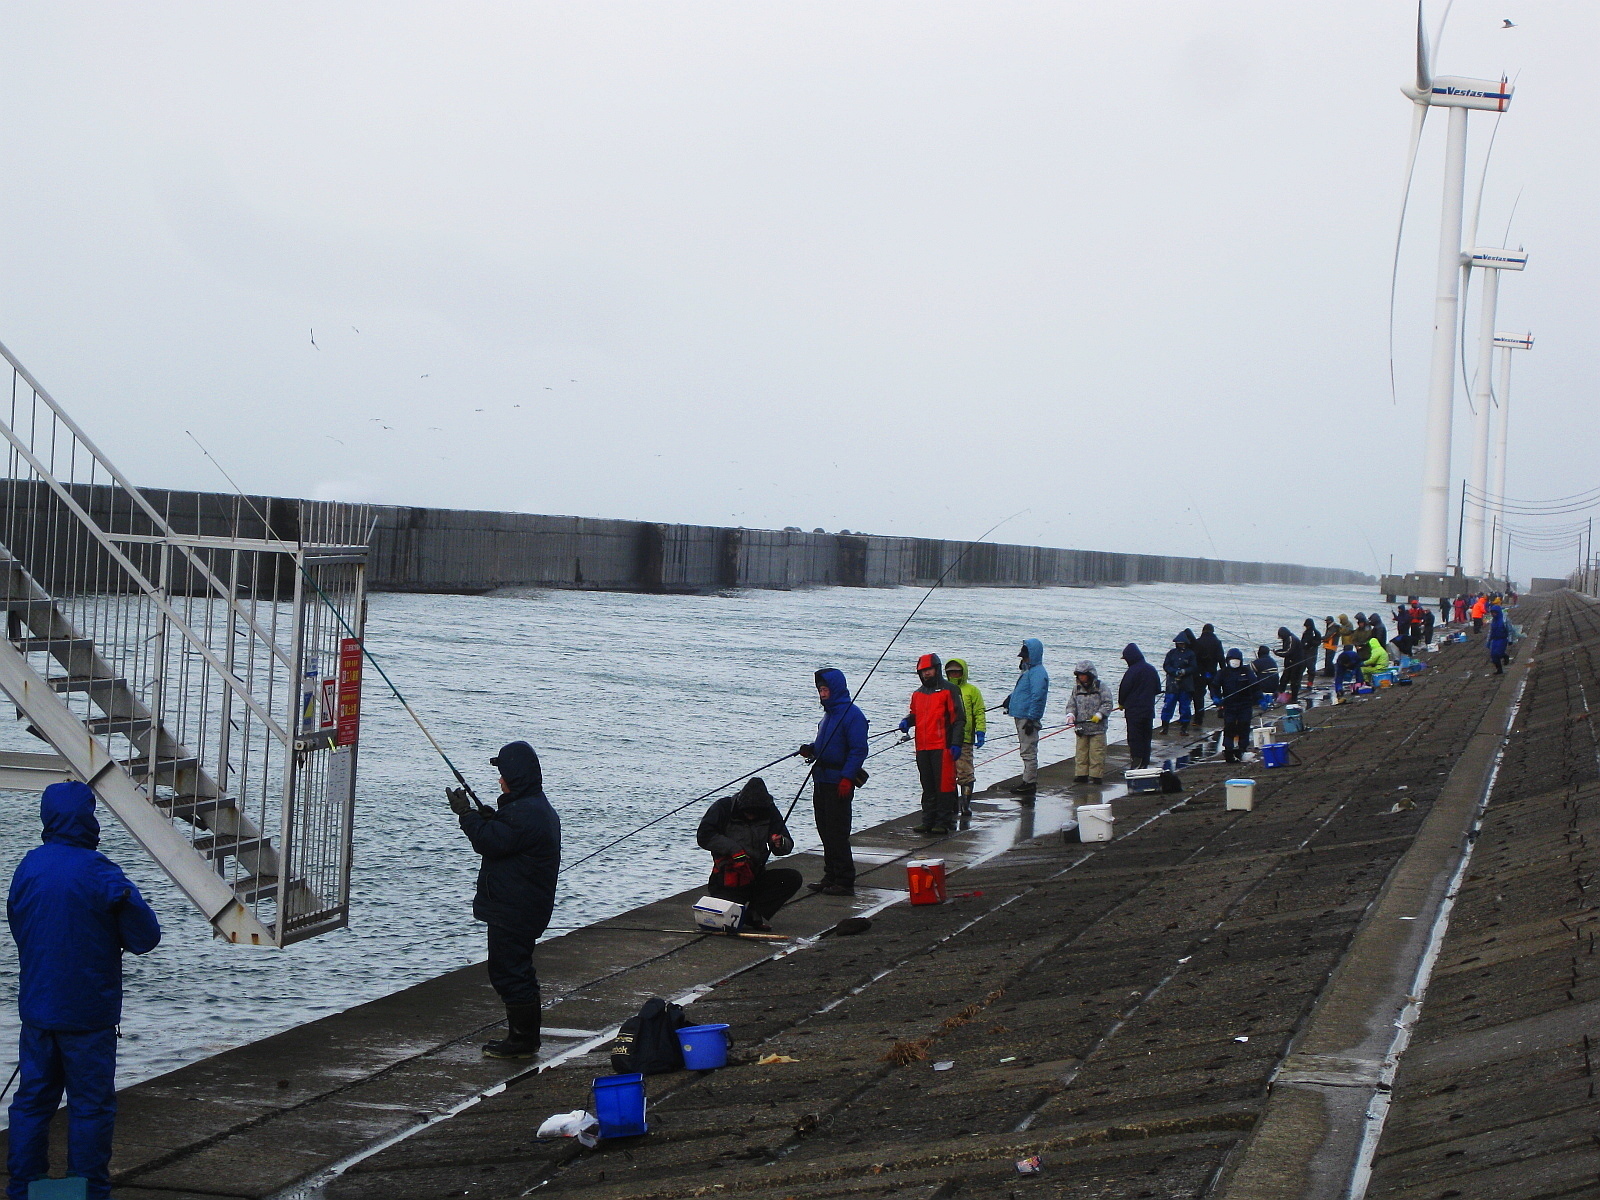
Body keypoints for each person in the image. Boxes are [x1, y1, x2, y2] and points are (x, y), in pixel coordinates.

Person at [7, 781, 162, 1200]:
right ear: (88, 818)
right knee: (89, 1106)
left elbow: (21, 925)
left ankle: (24, 1188)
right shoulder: (100, 871)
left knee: (32, 1102)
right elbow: (146, 936)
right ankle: (87, 1192)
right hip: (88, 1013)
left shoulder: (28, 867)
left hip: (38, 1009)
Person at [449, 741, 561, 1059]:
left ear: (516, 776)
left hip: (516, 909)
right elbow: (504, 834)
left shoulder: (525, 813)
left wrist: (467, 814)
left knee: (510, 971)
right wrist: (489, 816)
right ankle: (523, 1037)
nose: (499, 780)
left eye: (503, 774)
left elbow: (489, 841)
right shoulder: (530, 807)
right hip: (523, 907)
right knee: (513, 969)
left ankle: (523, 1041)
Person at [697, 778, 801, 930]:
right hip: (727, 878)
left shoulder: (770, 810)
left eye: (756, 814)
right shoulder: (723, 807)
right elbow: (704, 836)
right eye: (748, 812)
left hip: (755, 875)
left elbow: (786, 846)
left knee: (792, 878)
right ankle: (739, 912)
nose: (751, 816)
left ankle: (754, 913)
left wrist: (779, 842)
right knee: (723, 919)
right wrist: (734, 849)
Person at [800, 668, 869, 896]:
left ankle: (845, 879)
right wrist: (812, 749)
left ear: (835, 689)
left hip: (838, 782)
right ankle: (831, 875)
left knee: (837, 833)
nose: (822, 693)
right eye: (820, 689)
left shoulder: (853, 715)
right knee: (824, 830)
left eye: (826, 689)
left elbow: (858, 750)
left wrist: (847, 778)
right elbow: (827, 745)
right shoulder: (828, 715)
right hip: (821, 779)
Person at [901, 653, 965, 833]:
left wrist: (956, 744)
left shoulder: (950, 690)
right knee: (927, 785)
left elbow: (959, 719)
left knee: (944, 785)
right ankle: (927, 820)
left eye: (928, 670)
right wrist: (907, 721)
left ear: (936, 669)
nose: (926, 674)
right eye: (923, 671)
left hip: (943, 746)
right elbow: (915, 714)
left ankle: (943, 822)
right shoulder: (917, 694)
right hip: (922, 746)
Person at [1001, 640, 1048, 804]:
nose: (1023, 659)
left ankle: (1029, 783)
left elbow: (1038, 697)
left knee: (1028, 750)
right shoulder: (1029, 672)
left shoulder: (1038, 673)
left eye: (1025, 656)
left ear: (1032, 656)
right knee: (1026, 749)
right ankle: (1028, 781)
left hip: (1027, 718)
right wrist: (1011, 699)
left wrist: (1032, 719)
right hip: (1022, 715)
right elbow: (1024, 693)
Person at [944, 658, 986, 823]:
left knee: (965, 773)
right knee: (948, 774)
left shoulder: (972, 690)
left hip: (965, 739)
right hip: (946, 739)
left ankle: (965, 805)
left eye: (957, 671)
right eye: (951, 672)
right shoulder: (944, 690)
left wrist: (980, 731)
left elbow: (979, 712)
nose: (954, 674)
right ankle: (953, 803)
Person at [1066, 660, 1114, 784]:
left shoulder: (1101, 687)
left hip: (1098, 728)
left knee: (1097, 752)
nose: (1081, 677)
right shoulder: (1076, 689)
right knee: (1081, 752)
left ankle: (1096, 776)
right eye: (1079, 675)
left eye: (1083, 674)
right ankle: (1081, 774)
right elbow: (1071, 704)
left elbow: (1108, 703)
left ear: (1090, 674)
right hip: (1081, 728)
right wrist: (1070, 715)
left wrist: (1100, 714)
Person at [1118, 643, 1161, 769]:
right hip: (1148, 711)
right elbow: (1158, 689)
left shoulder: (1131, 671)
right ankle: (1144, 764)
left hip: (1133, 712)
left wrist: (1121, 703)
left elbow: (1124, 689)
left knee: (1134, 738)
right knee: (1146, 738)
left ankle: (1136, 764)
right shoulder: (1151, 669)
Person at [1216, 648, 1258, 763]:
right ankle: (1228, 750)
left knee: (1244, 726)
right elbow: (1215, 686)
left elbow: (1255, 686)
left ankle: (1242, 749)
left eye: (1237, 659)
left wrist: (1260, 699)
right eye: (1232, 659)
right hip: (1229, 705)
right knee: (1229, 727)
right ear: (1228, 660)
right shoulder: (1223, 672)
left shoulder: (1246, 671)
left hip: (1245, 704)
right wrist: (1217, 697)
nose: (1235, 662)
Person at [1160, 630, 1197, 735]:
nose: (1180, 645)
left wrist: (1184, 671)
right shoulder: (1171, 654)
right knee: (1168, 705)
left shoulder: (1191, 654)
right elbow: (1166, 666)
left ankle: (1184, 728)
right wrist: (1174, 672)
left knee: (1185, 707)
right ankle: (1165, 727)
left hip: (1185, 685)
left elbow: (1194, 667)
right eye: (1179, 643)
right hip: (1172, 685)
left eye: (1182, 643)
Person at [1193, 623, 1225, 718]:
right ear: (1212, 631)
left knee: (1198, 695)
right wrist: (1224, 670)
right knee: (1215, 692)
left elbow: (1194, 658)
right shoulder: (1217, 642)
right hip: (1212, 672)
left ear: (1203, 631)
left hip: (1200, 673)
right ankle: (1220, 709)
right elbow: (1221, 658)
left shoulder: (1197, 642)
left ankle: (1199, 716)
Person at [1273, 626, 1304, 702]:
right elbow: (1285, 650)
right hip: (1290, 663)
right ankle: (1279, 696)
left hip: (1296, 663)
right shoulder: (1287, 639)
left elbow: (1288, 652)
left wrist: (1277, 653)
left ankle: (1294, 698)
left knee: (1294, 681)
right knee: (1284, 679)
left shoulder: (1291, 639)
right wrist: (1278, 651)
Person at [1487, 604, 1509, 674]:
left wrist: (1510, 640)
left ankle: (1505, 656)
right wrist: (1488, 641)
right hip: (1495, 640)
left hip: (1502, 639)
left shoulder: (1504, 620)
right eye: (1492, 613)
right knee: (1493, 656)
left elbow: (1510, 630)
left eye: (1495, 612)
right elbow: (1490, 631)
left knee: (1498, 653)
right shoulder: (1493, 621)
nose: (1493, 614)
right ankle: (1499, 670)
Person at [1301, 619, 1322, 686]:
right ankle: (1298, 681)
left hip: (1312, 652)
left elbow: (1318, 643)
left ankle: (1310, 682)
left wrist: (1310, 643)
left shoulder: (1316, 633)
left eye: (1307, 626)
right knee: (1301, 667)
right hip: (1304, 652)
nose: (1307, 627)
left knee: (1311, 668)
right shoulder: (1305, 633)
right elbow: (1302, 642)